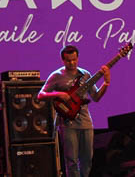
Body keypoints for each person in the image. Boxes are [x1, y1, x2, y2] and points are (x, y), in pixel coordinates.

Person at [38, 45, 110, 177]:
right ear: (63, 60)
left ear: (78, 58)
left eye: (74, 60)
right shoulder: (57, 75)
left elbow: (96, 97)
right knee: (71, 161)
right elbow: (41, 95)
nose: (72, 63)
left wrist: (106, 83)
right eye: (68, 60)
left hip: (85, 122)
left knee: (87, 159)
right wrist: (58, 94)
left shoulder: (85, 74)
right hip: (67, 123)